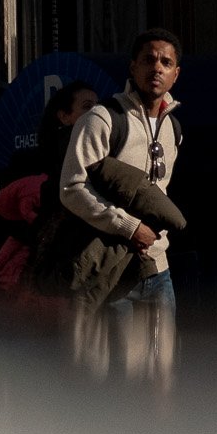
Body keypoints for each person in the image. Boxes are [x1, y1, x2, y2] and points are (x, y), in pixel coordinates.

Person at [59, 32, 183, 319]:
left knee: (164, 361)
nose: (157, 68)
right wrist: (128, 226)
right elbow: (72, 188)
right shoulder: (102, 118)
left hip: (158, 267)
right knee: (119, 362)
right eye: (149, 60)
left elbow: (159, 195)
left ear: (175, 75)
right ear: (133, 67)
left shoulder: (173, 128)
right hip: (112, 270)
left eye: (166, 62)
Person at [0, 83, 97, 298]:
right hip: (40, 273)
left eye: (98, 106)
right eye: (87, 106)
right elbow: (11, 221)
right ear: (64, 116)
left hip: (82, 268)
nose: (96, 113)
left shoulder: (101, 156)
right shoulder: (34, 161)